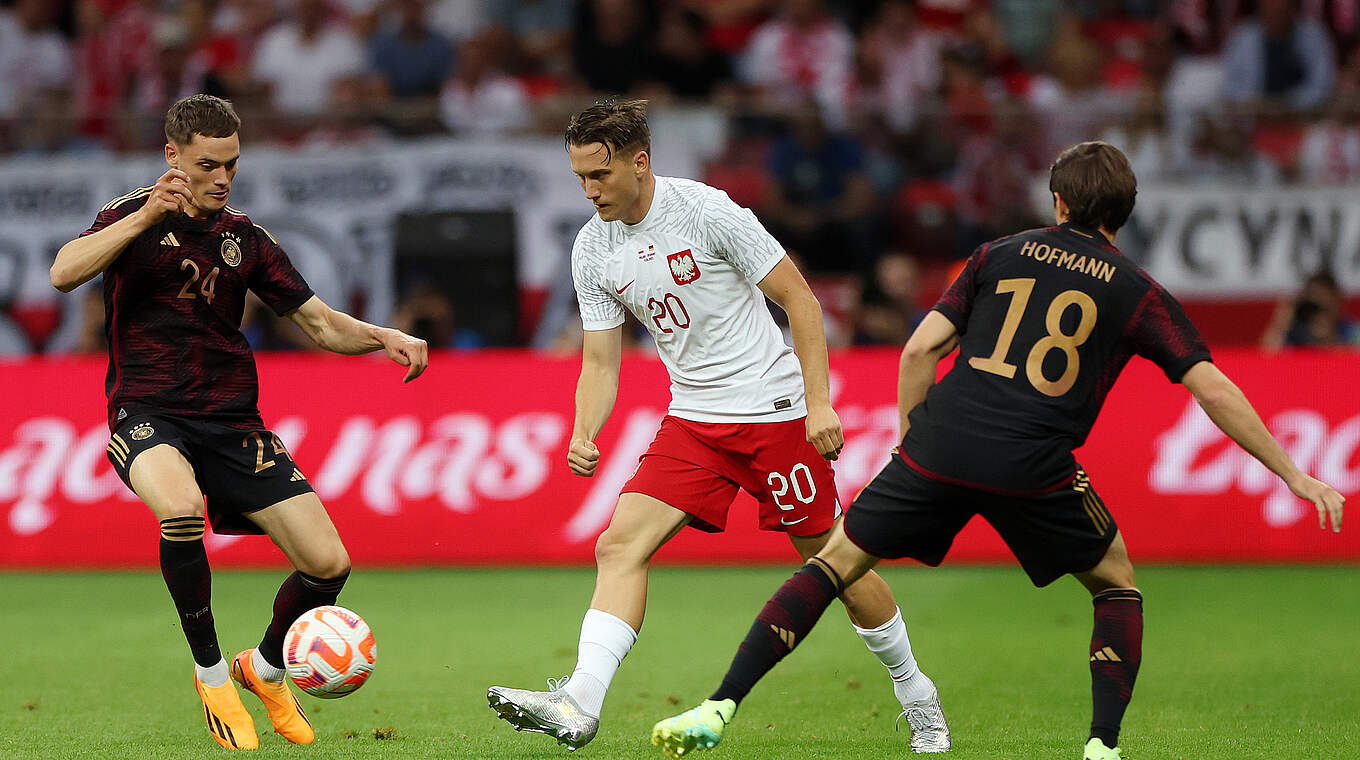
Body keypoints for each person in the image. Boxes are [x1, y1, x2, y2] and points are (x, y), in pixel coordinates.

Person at [651, 141, 1347, 760]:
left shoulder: (998, 252)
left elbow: (921, 349)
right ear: (1125, 212)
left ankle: (722, 702)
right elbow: (1212, 388)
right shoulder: (1138, 291)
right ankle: (1102, 746)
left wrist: (911, 441)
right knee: (1115, 582)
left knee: (833, 565)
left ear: (1059, 200)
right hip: (1034, 461)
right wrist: (1293, 474)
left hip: (944, 439)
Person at [486, 98, 950, 753]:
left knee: (834, 566)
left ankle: (916, 692)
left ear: (639, 162)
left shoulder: (708, 212)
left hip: (774, 416)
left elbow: (801, 301)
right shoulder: (591, 248)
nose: (590, 191)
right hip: (695, 421)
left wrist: (819, 403)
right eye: (580, 178)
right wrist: (584, 428)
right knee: (619, 545)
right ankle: (580, 701)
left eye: (601, 175)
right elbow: (599, 360)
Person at [49, 94, 429, 751]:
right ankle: (213, 673)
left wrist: (380, 335)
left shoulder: (247, 240)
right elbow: (62, 273)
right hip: (146, 411)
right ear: (173, 158)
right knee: (181, 509)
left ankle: (267, 666)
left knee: (328, 562)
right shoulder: (128, 217)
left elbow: (320, 324)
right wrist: (144, 219)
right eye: (207, 164)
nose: (222, 177)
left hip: (232, 420)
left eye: (232, 163)